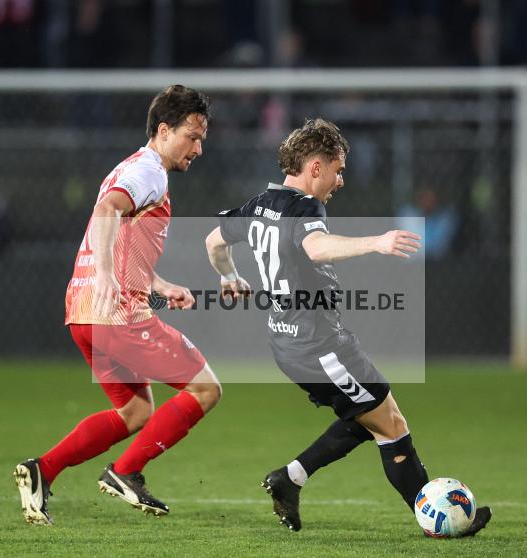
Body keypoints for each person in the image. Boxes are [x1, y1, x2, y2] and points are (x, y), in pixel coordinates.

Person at [204, 118, 491, 535]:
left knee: (368, 417)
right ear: (315, 167)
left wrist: (229, 277)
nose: (340, 180)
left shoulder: (258, 205)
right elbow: (315, 247)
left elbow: (213, 241)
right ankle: (437, 518)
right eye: (338, 170)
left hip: (290, 342)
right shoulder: (304, 207)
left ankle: (291, 477)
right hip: (318, 345)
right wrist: (375, 242)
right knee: (389, 423)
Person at [14, 85, 222, 525]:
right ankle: (126, 471)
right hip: (117, 314)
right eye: (192, 135)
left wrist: (159, 285)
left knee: (135, 411)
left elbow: (123, 238)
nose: (198, 147)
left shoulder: (129, 167)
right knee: (206, 389)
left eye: (202, 138)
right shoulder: (151, 171)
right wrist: (109, 275)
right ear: (163, 131)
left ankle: (42, 470)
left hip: (84, 312)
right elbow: (108, 210)